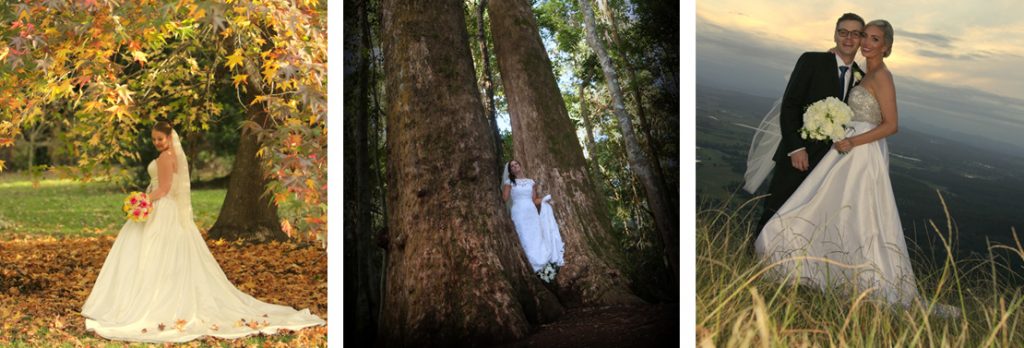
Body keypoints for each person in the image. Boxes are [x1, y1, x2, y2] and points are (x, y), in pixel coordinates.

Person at [753, 20, 959, 316]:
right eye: (865, 36)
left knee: (860, 214)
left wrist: (854, 141)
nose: (865, 42)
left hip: (861, 153)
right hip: (845, 150)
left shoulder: (883, 77)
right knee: (832, 209)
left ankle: (864, 279)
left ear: (886, 46)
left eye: (873, 38)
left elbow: (892, 125)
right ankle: (821, 266)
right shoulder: (862, 73)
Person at [81, 122, 325, 343]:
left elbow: (164, 189)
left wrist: (143, 200)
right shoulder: (171, 155)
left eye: (160, 139)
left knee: (151, 253)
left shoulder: (166, 158)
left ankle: (143, 302)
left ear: (169, 138)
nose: (157, 142)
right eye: (154, 138)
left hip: (161, 208)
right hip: (163, 208)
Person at [748, 13, 867, 233]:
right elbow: (790, 104)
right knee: (775, 211)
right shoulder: (812, 60)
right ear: (835, 34)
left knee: (805, 220)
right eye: (843, 32)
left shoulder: (861, 76)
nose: (848, 38)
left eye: (855, 33)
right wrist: (796, 148)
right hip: (797, 155)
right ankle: (752, 261)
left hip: (829, 161)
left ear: (861, 39)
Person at [501, 160, 565, 282]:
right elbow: (504, 199)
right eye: (512, 166)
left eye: (516, 165)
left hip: (531, 212)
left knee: (535, 235)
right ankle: (530, 264)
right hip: (518, 212)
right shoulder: (509, 183)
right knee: (523, 236)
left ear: (520, 166)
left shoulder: (531, 182)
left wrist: (544, 200)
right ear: (510, 170)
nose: (515, 167)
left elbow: (534, 200)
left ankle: (543, 265)